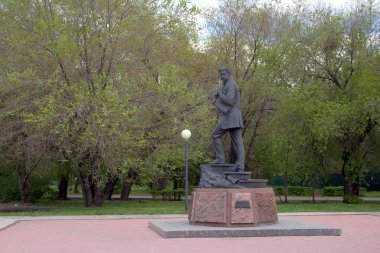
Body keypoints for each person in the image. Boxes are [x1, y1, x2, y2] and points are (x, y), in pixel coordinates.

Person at [211, 66, 245, 172]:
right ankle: (240, 166)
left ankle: (220, 159)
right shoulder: (228, 84)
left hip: (230, 117)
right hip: (232, 117)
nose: (222, 76)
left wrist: (220, 94)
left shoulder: (231, 84)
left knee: (215, 135)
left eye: (224, 74)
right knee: (238, 142)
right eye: (221, 74)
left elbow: (230, 101)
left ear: (229, 74)